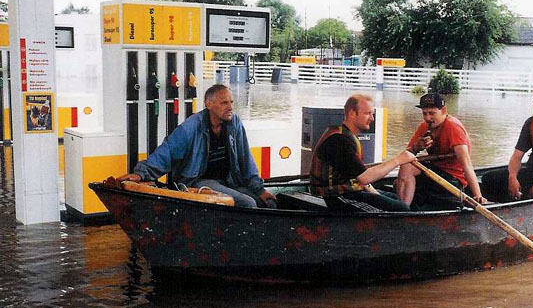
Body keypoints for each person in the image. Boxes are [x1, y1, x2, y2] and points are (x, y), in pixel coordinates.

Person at [117, 84, 277, 209]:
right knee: (247, 203)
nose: (230, 107)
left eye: (231, 102)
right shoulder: (190, 128)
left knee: (268, 203)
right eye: (224, 103)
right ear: (209, 104)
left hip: (228, 180)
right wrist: (141, 174)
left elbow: (245, 160)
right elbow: (167, 153)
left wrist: (260, 190)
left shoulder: (234, 123)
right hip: (198, 181)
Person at [310, 94, 415, 212]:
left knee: (394, 198)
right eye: (367, 113)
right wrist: (399, 160)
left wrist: (378, 195)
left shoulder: (345, 135)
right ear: (352, 114)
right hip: (336, 197)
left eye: (372, 114)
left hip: (349, 191)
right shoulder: (339, 140)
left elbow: (358, 176)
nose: (372, 118)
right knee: (402, 209)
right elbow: (365, 178)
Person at [395, 93, 487, 209]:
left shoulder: (453, 128)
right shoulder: (425, 126)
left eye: (432, 113)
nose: (428, 118)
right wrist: (416, 147)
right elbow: (405, 156)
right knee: (403, 171)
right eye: (425, 114)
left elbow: (467, 165)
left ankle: (402, 209)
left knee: (406, 171)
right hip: (434, 172)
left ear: (443, 110)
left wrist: (477, 195)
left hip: (453, 179)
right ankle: (403, 208)